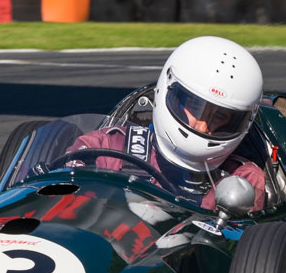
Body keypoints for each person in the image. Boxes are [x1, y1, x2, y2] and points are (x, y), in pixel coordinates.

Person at [66, 36, 267, 212]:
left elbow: (241, 248)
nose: (202, 127)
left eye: (219, 117)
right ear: (167, 90)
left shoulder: (243, 179)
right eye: (195, 107)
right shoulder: (109, 146)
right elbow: (59, 199)